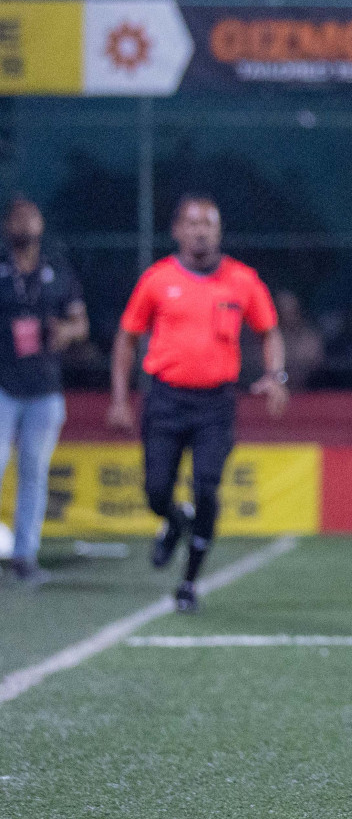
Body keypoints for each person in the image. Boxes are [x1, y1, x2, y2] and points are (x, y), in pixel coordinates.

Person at [107, 196, 289, 612]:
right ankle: (173, 522)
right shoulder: (157, 279)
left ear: (219, 231)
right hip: (166, 398)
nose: (201, 230)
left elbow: (270, 331)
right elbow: (127, 338)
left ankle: (189, 582)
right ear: (177, 230)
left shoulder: (242, 280)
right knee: (155, 491)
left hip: (215, 404)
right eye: (192, 223)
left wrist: (276, 375)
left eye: (208, 223)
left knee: (207, 487)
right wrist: (119, 397)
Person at [0, 198, 87, 585]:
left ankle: (25, 555)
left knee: (34, 471)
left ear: (42, 223)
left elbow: (80, 323)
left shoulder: (57, 270)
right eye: (17, 217)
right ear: (6, 226)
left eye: (31, 216)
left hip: (45, 387)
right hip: (2, 383)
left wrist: (65, 332)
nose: (24, 222)